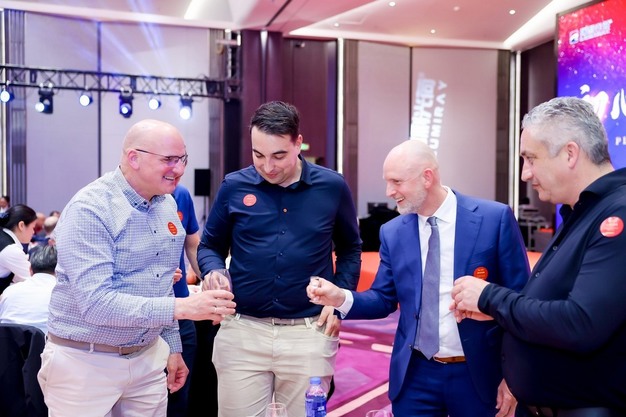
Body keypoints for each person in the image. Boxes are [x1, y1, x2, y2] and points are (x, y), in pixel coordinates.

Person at [307, 139, 530, 417]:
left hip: (480, 374)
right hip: (416, 375)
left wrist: (514, 377)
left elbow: (521, 301)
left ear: (427, 177)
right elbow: (383, 299)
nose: (389, 192)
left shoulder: (493, 219)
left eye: (397, 182)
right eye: (388, 182)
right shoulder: (393, 232)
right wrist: (340, 297)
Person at [38, 119, 236, 417]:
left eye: (182, 159)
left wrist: (172, 346)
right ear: (134, 158)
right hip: (85, 361)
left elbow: (161, 283)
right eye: (169, 160)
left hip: (147, 360)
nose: (179, 169)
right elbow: (97, 304)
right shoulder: (91, 209)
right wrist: (183, 308)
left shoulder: (166, 205)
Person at [451, 97, 626, 416]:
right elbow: (554, 302)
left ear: (570, 153)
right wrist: (496, 311)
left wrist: (490, 298)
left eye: (530, 158)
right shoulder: (582, 211)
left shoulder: (617, 212)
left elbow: (581, 323)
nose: (525, 174)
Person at [197, 101, 362, 417]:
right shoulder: (234, 186)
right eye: (258, 155)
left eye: (278, 155)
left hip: (309, 331)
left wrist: (339, 300)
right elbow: (209, 246)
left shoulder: (332, 186)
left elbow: (351, 249)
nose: (268, 166)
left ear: (298, 143)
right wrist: (213, 270)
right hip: (242, 331)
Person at [168, 181, 202, 417]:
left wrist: (210, 277)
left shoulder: (181, 194)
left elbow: (193, 245)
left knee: (179, 395)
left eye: (180, 163)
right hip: (146, 315)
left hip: (182, 311)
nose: (175, 170)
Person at [0, 244, 57, 333]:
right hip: (43, 341)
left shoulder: (9, 292)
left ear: (30, 269)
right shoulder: (62, 295)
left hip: (7, 341)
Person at [0, 204, 35, 294]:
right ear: (21, 225)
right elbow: (33, 280)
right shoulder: (11, 250)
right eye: (32, 227)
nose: (33, 232)